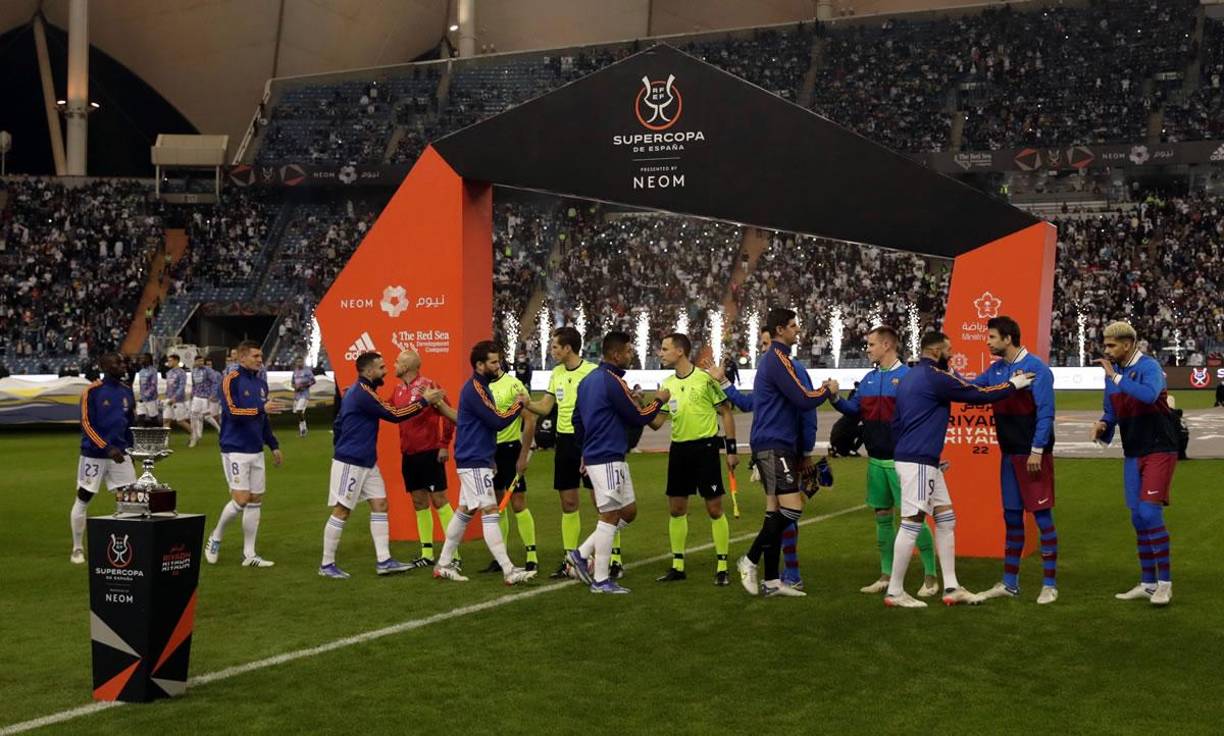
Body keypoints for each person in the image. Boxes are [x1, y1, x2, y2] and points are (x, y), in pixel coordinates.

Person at [884, 331, 1033, 609]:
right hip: (919, 461)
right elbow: (977, 394)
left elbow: (896, 423)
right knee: (912, 521)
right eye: (949, 350)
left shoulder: (908, 378)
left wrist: (915, 454)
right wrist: (1013, 385)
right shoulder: (937, 376)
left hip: (921, 459)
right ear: (936, 350)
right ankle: (895, 590)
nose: (952, 355)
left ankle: (951, 587)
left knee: (946, 519)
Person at [828, 326, 939, 598]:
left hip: (903, 462)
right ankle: (886, 575)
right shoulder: (868, 379)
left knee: (913, 519)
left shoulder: (909, 378)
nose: (867, 348)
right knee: (882, 519)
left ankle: (931, 576)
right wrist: (834, 398)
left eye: (871, 344)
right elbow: (854, 412)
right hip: (876, 461)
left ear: (887, 345)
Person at [318, 351, 445, 579]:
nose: (386, 370)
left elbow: (338, 424)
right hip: (352, 461)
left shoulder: (359, 392)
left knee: (380, 504)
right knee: (343, 510)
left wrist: (343, 442)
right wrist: (425, 401)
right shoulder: (363, 393)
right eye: (381, 367)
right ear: (369, 371)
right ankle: (326, 564)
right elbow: (395, 414)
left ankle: (384, 561)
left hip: (366, 461)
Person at [708, 325, 816, 589]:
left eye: (767, 344)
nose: (764, 350)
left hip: (786, 449)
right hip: (774, 449)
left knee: (782, 512)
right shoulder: (772, 369)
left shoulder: (792, 368)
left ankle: (780, 575)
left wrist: (805, 452)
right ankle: (777, 576)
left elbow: (807, 414)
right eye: (762, 345)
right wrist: (723, 382)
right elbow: (749, 404)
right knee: (784, 512)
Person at [737, 308, 829, 598]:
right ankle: (749, 559)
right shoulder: (777, 359)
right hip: (773, 444)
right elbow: (804, 399)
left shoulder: (778, 360)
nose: (797, 330)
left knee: (774, 512)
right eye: (792, 325)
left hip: (776, 444)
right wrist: (828, 390)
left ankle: (773, 581)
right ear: (779, 330)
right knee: (792, 508)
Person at [567, 331, 668, 594]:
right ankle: (600, 580)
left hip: (605, 455)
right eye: (628, 351)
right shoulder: (612, 381)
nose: (631, 354)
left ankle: (581, 553)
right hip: (607, 455)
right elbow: (637, 417)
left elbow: (576, 421)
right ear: (616, 354)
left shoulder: (588, 380)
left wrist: (584, 450)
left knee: (628, 511)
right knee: (610, 515)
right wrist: (659, 400)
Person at [431, 341, 536, 586]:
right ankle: (509, 570)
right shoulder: (476, 388)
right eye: (493, 362)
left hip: (475, 457)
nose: (497, 366)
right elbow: (497, 421)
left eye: (498, 361)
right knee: (489, 510)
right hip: (473, 458)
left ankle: (444, 564)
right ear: (479, 365)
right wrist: (518, 404)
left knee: (465, 511)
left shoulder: (479, 387)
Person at [973, 317, 1060, 605]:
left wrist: (1037, 449)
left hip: (1033, 456)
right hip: (1009, 455)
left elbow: (1046, 413)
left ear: (1008, 339)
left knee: (1042, 518)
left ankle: (1049, 585)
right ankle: (1010, 583)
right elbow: (971, 389)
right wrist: (939, 375)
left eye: (993, 337)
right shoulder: (996, 370)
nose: (988, 341)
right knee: (1012, 518)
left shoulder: (1037, 369)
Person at [1093, 321, 1180, 606]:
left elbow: (1149, 395)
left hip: (1159, 448)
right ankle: (1147, 582)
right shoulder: (1113, 374)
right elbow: (1110, 410)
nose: (1106, 350)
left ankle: (1164, 585)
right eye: (1105, 344)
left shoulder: (1149, 367)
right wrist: (1103, 424)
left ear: (1128, 344)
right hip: (1133, 451)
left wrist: (1115, 378)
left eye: (1111, 345)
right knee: (1137, 518)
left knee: (1149, 513)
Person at [649, 333, 735, 586]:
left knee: (714, 508)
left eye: (665, 349)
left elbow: (726, 412)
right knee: (676, 509)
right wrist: (642, 408)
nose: (660, 353)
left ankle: (722, 565)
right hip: (679, 450)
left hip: (705, 448)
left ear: (680, 352)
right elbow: (656, 423)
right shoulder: (666, 384)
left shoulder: (704, 380)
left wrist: (730, 450)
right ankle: (678, 565)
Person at [523, 327, 599, 579]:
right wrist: (527, 404)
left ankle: (612, 558)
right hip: (565, 442)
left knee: (602, 503)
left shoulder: (591, 372)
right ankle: (570, 560)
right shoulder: (556, 373)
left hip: (590, 442)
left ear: (568, 348)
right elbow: (546, 406)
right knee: (568, 503)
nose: (551, 350)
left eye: (555, 346)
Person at [205, 341, 282, 568]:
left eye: (261, 356)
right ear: (242, 358)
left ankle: (249, 554)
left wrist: (273, 444)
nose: (260, 359)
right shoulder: (230, 380)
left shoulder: (260, 384)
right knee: (241, 499)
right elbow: (232, 412)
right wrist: (261, 409)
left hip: (256, 449)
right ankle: (215, 537)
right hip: (234, 449)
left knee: (255, 500)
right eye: (256, 356)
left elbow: (262, 419)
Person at [392, 349, 458, 568]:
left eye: (398, 361)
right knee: (419, 502)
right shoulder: (398, 389)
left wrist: (443, 445)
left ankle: (453, 553)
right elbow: (388, 410)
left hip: (429, 452)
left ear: (408, 366)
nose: (394, 364)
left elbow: (448, 415)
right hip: (409, 455)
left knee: (439, 500)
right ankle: (427, 553)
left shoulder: (429, 386)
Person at [69, 352, 136, 564]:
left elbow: (129, 425)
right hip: (94, 455)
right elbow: (86, 425)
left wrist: (131, 451)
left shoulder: (127, 391)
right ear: (104, 365)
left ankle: (126, 549)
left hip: (120, 454)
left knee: (130, 499)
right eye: (117, 362)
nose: (122, 365)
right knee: (84, 497)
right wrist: (106, 448)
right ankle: (77, 548)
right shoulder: (92, 391)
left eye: (122, 361)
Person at [483, 360, 539, 572]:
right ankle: (500, 556)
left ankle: (531, 555)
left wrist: (523, 455)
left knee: (517, 502)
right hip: (490, 452)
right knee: (497, 505)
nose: (492, 365)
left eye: (495, 361)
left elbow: (530, 420)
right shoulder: (482, 387)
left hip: (510, 449)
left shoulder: (513, 385)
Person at [189, 354, 221, 448]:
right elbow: (194, 384)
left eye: (202, 361)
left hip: (206, 397)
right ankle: (195, 437)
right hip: (196, 396)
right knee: (193, 416)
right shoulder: (194, 371)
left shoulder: (208, 370)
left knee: (206, 416)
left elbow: (215, 382)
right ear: (195, 362)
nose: (200, 363)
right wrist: (192, 393)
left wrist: (213, 394)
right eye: (198, 361)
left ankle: (219, 429)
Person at [163, 353, 191, 439]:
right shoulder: (169, 372)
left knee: (180, 421)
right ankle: (165, 441)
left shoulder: (181, 372)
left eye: (170, 360)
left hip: (177, 400)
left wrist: (175, 397)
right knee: (166, 420)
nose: (169, 362)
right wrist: (166, 396)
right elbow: (168, 386)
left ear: (176, 361)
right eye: (168, 360)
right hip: (168, 399)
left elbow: (182, 387)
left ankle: (194, 435)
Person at [292, 357, 316, 438]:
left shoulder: (307, 371)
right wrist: (295, 387)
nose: (299, 363)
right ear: (296, 363)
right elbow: (292, 382)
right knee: (299, 413)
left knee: (299, 411)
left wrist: (304, 386)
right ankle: (302, 431)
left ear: (303, 363)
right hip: (297, 395)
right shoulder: (295, 372)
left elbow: (313, 381)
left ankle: (304, 429)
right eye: (298, 362)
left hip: (304, 394)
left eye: (301, 362)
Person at [135, 353, 160, 427]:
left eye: (143, 358)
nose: (141, 360)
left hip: (151, 399)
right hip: (142, 399)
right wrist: (141, 396)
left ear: (148, 359)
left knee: (153, 418)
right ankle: (140, 436)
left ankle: (158, 435)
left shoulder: (153, 371)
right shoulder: (141, 371)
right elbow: (141, 385)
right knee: (140, 416)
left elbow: (153, 385)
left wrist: (145, 395)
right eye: (141, 358)